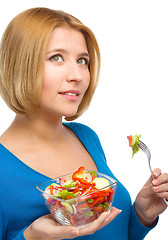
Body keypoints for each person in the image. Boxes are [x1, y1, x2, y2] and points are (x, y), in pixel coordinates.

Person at [0, 7, 167, 240]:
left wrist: (141, 215)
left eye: (82, 60)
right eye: (56, 57)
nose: (77, 75)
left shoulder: (86, 137)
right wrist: (30, 237)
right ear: (19, 65)